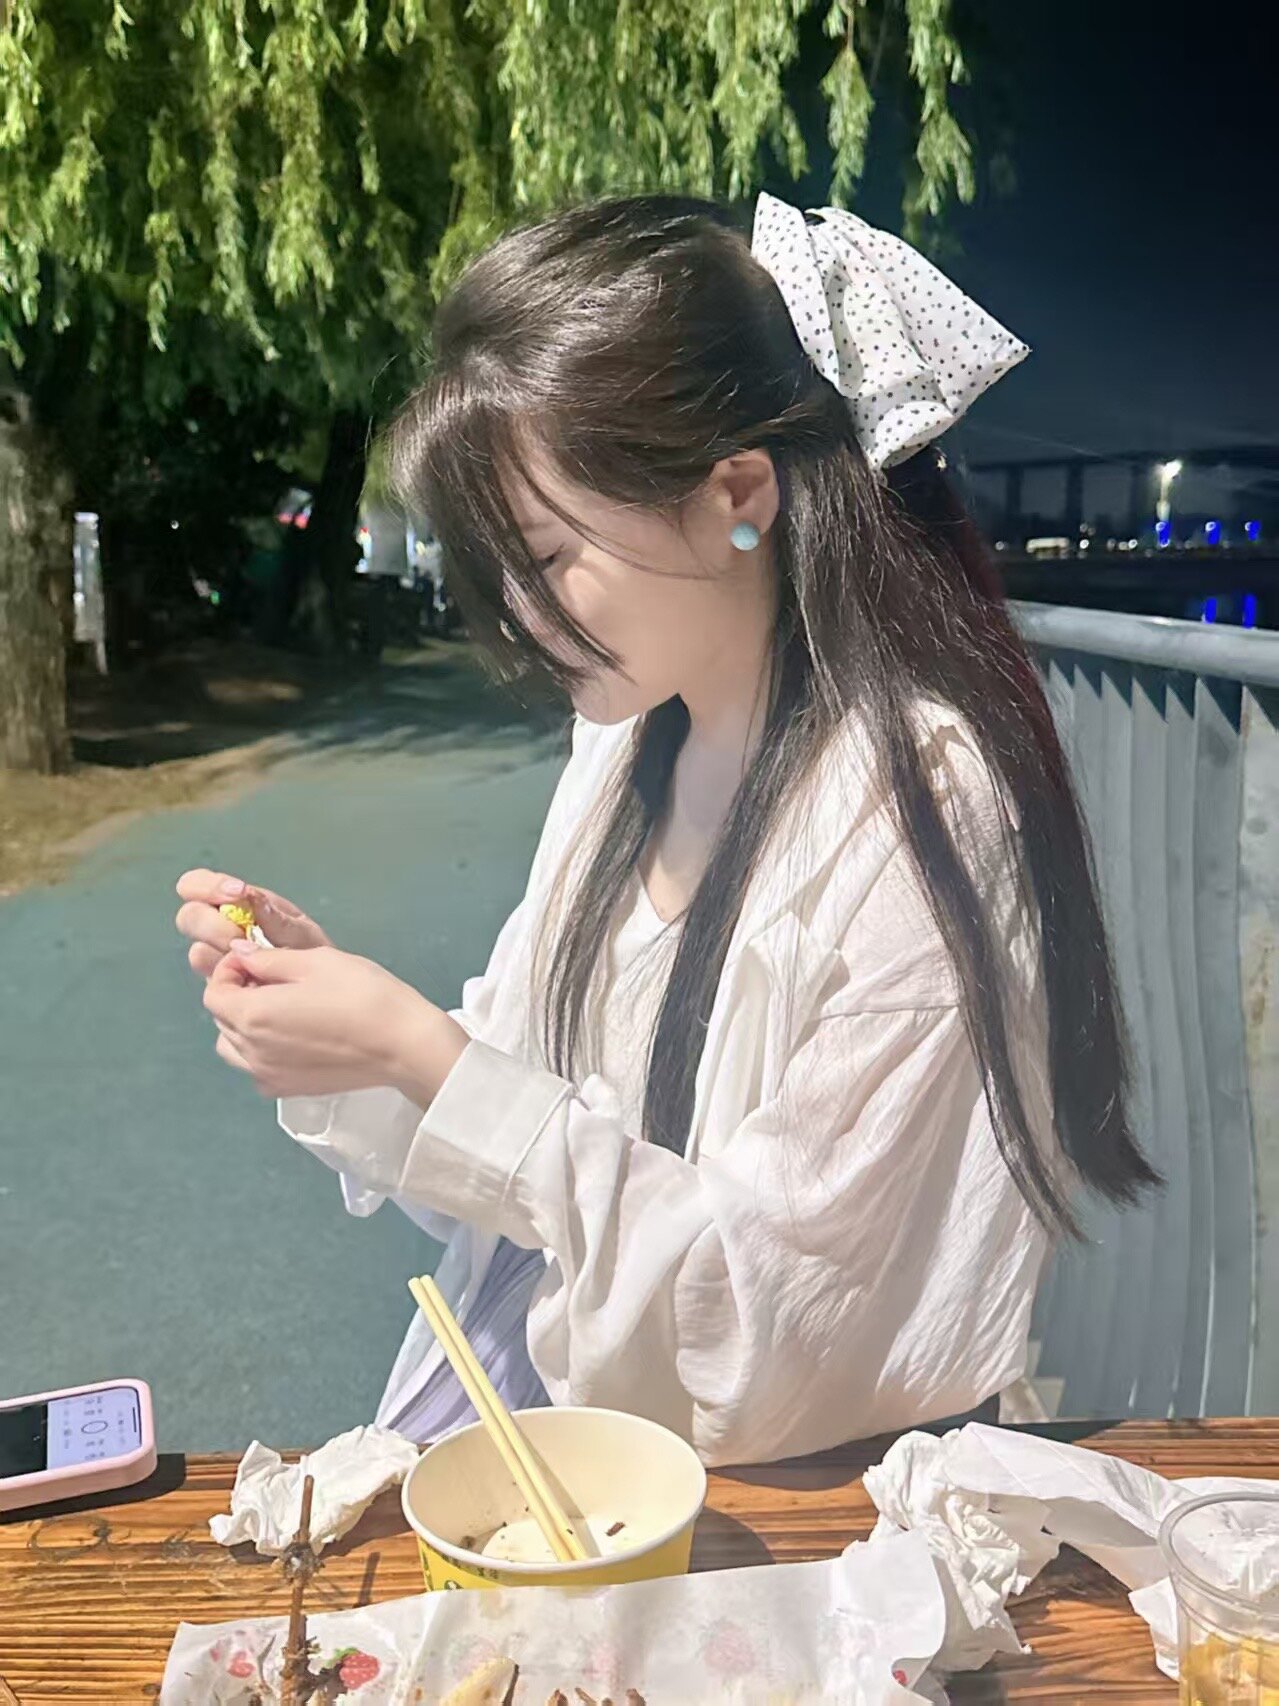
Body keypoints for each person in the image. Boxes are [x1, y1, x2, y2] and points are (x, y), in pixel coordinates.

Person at [175, 193, 1158, 1467]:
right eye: (499, 569)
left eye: (546, 557)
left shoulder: (922, 807)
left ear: (737, 494)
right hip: (584, 1458)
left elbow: (786, 1332)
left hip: (804, 1520)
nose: (519, 616)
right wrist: (356, 1044)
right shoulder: (623, 742)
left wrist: (424, 1054)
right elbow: (517, 1115)